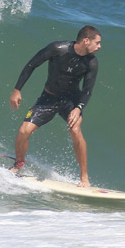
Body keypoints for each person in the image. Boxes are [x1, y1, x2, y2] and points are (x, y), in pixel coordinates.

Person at [9, 25, 102, 187]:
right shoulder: (58, 49)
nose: (99, 46)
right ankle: (18, 164)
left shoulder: (92, 63)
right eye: (97, 42)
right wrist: (17, 90)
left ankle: (85, 178)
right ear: (86, 41)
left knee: (75, 130)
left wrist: (78, 108)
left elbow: (87, 91)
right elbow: (32, 64)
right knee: (24, 130)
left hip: (71, 102)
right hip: (48, 99)